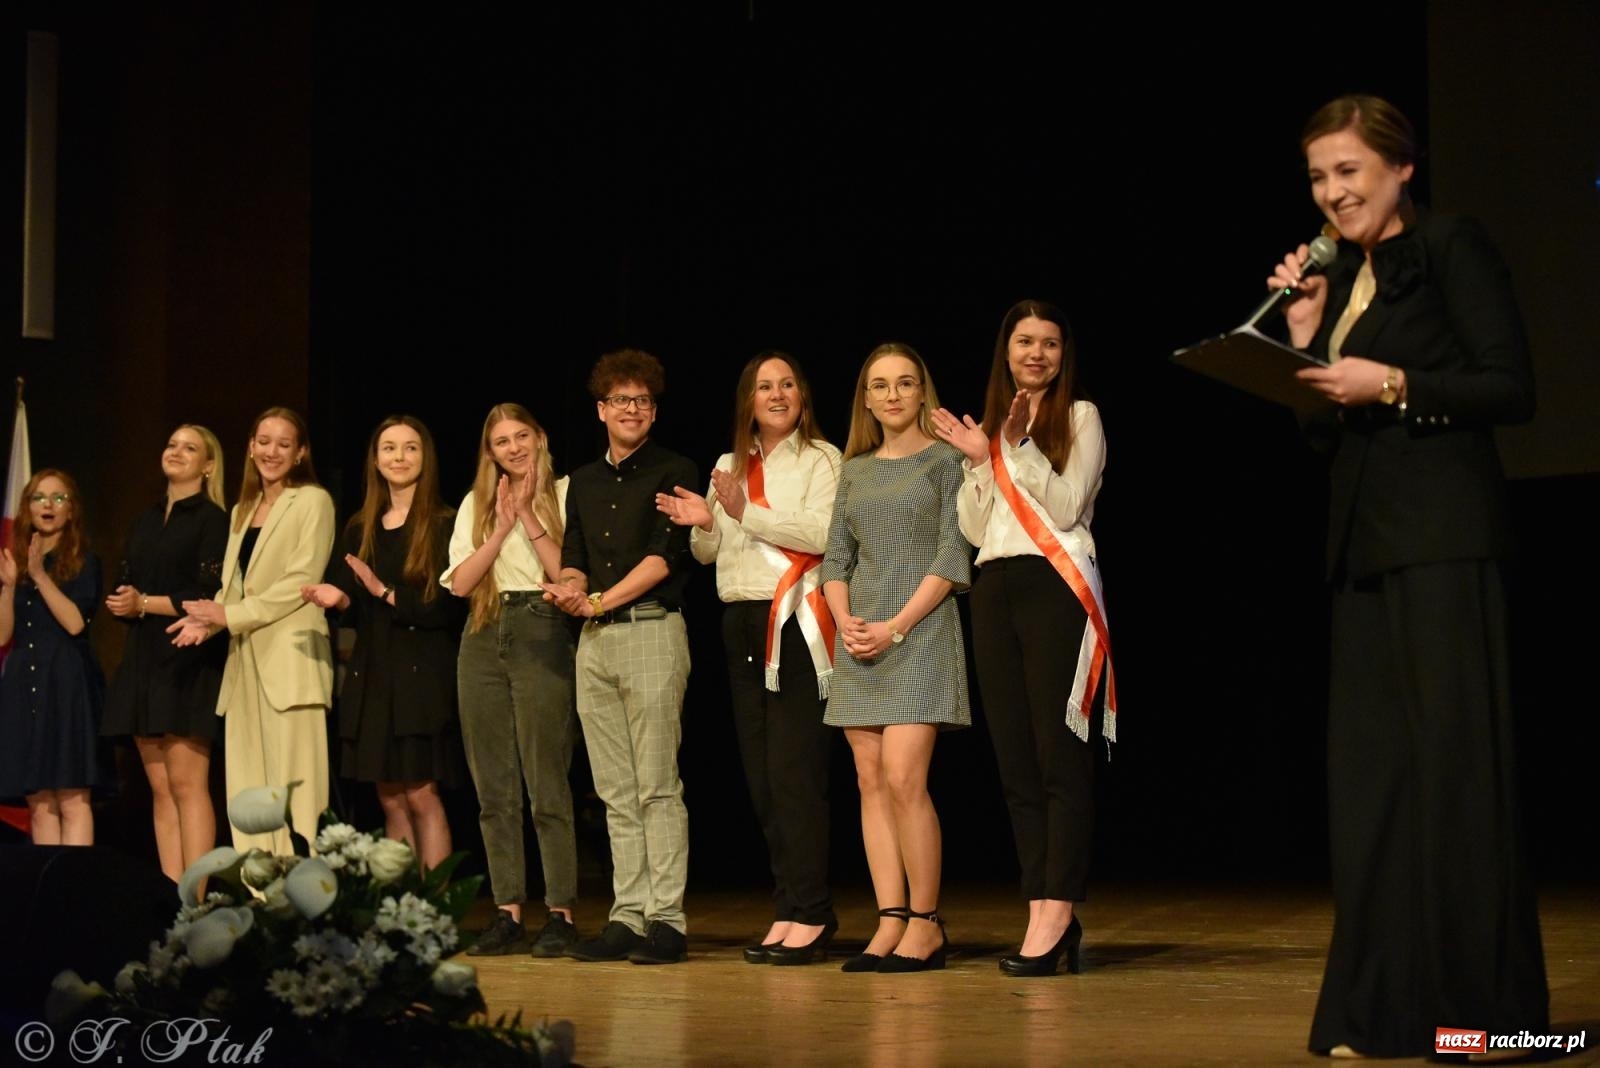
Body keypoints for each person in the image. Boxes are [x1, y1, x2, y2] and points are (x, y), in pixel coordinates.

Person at [1266, 94, 1548, 1058]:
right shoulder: (1340, 282)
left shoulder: (1452, 249)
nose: (1332, 192)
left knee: (1455, 782)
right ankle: (1380, 1013)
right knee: (1373, 790)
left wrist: (1388, 382)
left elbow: (1512, 386)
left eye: (1348, 170)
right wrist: (1306, 338)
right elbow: (1320, 433)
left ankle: (1490, 1027)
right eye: (1317, 176)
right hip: (1364, 556)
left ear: (1400, 169)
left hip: (1443, 544)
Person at [932, 301, 1114, 978]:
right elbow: (977, 530)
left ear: (1064, 355)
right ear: (1006, 352)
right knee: (1014, 762)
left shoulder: (1081, 417)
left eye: (1050, 343)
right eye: (1024, 342)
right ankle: (1039, 903)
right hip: (996, 586)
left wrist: (1017, 448)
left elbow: (1066, 508)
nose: (1036, 353)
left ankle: (1058, 907)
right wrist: (983, 462)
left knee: (1059, 757)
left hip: (1055, 587)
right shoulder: (992, 429)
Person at [657, 351, 843, 965]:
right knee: (762, 778)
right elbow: (711, 555)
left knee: (796, 772)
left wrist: (744, 512)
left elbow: (822, 535)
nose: (778, 393)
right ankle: (788, 905)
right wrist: (705, 523)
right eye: (765, 386)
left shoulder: (823, 459)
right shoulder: (727, 464)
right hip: (739, 621)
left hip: (793, 620)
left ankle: (814, 912)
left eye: (788, 383)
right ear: (748, 400)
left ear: (803, 395)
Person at [820, 341, 970, 974]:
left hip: (921, 633)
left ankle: (927, 923)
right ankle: (890, 918)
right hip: (858, 638)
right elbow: (836, 559)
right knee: (869, 779)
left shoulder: (944, 462)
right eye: (879, 385)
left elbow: (951, 556)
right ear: (867, 398)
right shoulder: (853, 469)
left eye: (904, 383)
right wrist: (846, 619)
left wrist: (896, 628)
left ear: (922, 391)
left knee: (907, 779)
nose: (892, 395)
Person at [543, 348, 697, 966]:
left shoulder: (674, 469)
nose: (632, 409)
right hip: (595, 641)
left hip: (651, 630)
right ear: (601, 409)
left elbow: (665, 558)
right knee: (613, 789)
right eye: (620, 401)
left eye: (643, 401)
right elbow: (574, 550)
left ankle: (667, 919)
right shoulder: (581, 480)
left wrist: (599, 599)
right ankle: (626, 917)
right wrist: (572, 586)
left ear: (653, 410)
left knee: (657, 785)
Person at [438, 403, 579, 958]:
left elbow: (565, 569)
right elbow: (460, 583)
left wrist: (526, 515)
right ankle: (507, 910)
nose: (514, 448)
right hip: (482, 630)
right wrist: (497, 526)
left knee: (547, 781)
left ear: (541, 438)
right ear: (489, 452)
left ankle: (562, 912)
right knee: (494, 787)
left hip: (541, 626)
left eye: (522, 436)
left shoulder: (567, 492)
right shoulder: (476, 502)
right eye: (501, 441)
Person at [301, 415, 466, 871]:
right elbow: (351, 594)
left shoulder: (444, 523)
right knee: (390, 796)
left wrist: (384, 592)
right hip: (373, 673)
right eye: (389, 448)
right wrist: (335, 597)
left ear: (425, 458)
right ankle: (404, 909)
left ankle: (437, 908)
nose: (399, 456)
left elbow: (446, 606)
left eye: (410, 447)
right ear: (375, 460)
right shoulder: (361, 525)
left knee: (421, 793)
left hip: (421, 672)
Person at [169, 407, 335, 854]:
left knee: (298, 800)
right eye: (264, 441)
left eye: (284, 443)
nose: (272, 451)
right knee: (249, 801)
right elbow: (231, 588)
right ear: (250, 447)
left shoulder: (314, 501)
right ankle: (262, 906)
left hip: (292, 666)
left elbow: (301, 582)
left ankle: (305, 911)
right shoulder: (242, 510)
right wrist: (206, 621)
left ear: (300, 453)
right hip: (244, 671)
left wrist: (229, 616)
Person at [101, 426, 229, 879]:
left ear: (208, 465)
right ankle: (171, 895)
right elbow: (128, 580)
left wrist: (145, 603)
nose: (176, 452)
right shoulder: (146, 518)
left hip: (187, 657)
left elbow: (207, 592)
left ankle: (194, 903)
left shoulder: (213, 519)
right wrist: (124, 602)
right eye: (172, 444)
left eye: (189, 448)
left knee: (187, 784)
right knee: (159, 788)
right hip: (143, 658)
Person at [0, 469, 105, 845]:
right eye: (39, 497)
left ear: (71, 510)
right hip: (23, 684)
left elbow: (75, 623)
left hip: (65, 683)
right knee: (40, 802)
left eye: (59, 498)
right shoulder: (15, 561)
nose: (48, 505)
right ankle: (47, 898)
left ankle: (74, 891)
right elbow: (3, 635)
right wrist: (11, 586)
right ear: (27, 507)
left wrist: (40, 577)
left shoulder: (83, 561)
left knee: (72, 797)